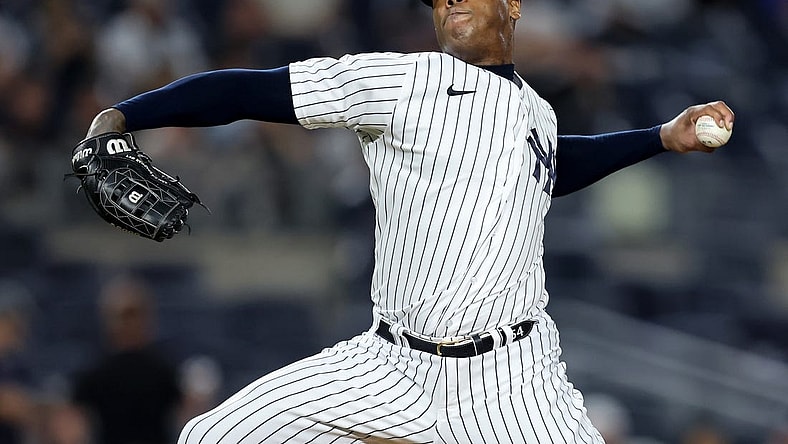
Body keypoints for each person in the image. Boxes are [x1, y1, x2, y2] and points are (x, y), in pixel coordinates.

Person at [80, 0, 735, 442]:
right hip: (391, 365)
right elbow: (247, 89)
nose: (448, 2)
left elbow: (553, 168)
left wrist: (660, 136)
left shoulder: (536, 114)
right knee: (210, 436)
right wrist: (123, 116)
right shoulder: (399, 82)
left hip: (516, 378)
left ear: (512, 6)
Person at [71, 275, 183, 444]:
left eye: (135, 316)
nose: (130, 325)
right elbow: (75, 426)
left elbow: (183, 417)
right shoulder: (94, 373)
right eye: (125, 317)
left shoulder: (164, 370)